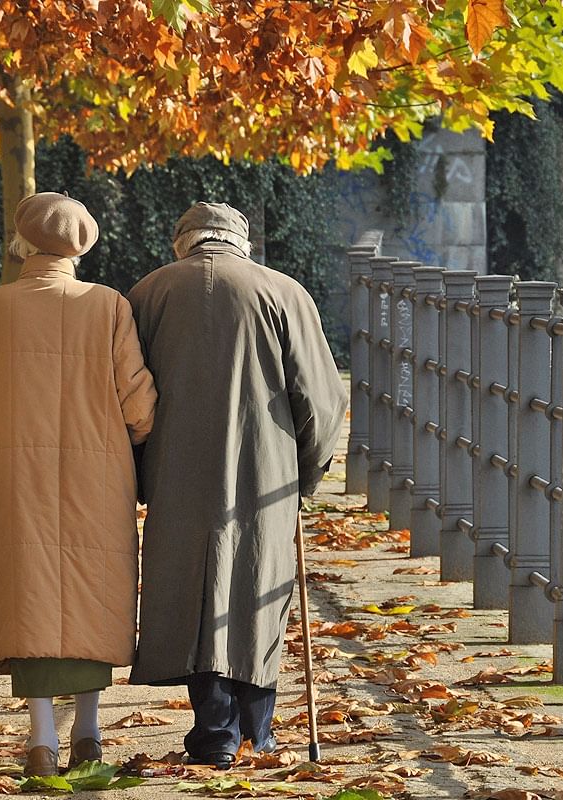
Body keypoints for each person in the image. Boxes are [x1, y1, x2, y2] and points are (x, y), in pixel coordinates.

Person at [127, 202, 347, 769]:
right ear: (239, 241)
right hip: (266, 466)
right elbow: (320, 402)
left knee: (193, 592)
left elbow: (126, 395)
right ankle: (258, 729)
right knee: (256, 588)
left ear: (184, 241)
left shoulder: (147, 293)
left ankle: (214, 730)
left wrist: (135, 469)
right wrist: (306, 471)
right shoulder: (283, 292)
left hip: (174, 468)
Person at [0, 192, 157, 778]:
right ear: (81, 247)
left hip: (17, 479)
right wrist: (134, 443)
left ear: (21, 244)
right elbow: (138, 402)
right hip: (100, 476)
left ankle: (42, 737)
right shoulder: (109, 306)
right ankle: (88, 732)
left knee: (30, 598)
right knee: (94, 594)